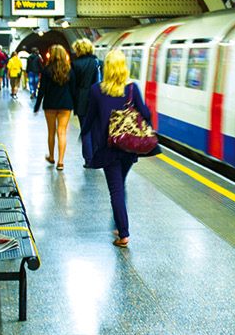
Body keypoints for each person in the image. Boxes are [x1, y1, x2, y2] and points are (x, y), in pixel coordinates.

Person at [80, 50, 160, 247]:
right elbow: (145, 113)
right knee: (120, 184)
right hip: (128, 146)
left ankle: (123, 232)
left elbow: (90, 118)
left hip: (108, 147)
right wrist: (147, 130)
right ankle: (118, 223)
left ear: (106, 67)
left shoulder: (96, 90)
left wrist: (84, 135)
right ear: (124, 67)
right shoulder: (132, 88)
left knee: (115, 189)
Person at [34, 44, 74, 168]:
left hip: (50, 104)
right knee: (61, 132)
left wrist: (37, 105)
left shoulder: (46, 70)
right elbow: (73, 90)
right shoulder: (69, 70)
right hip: (65, 105)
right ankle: (60, 162)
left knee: (51, 132)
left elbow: (42, 90)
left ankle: (51, 157)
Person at [69, 38, 102, 124]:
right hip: (96, 98)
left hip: (80, 100)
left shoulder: (75, 64)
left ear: (79, 50)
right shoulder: (98, 63)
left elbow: (72, 84)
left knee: (84, 126)